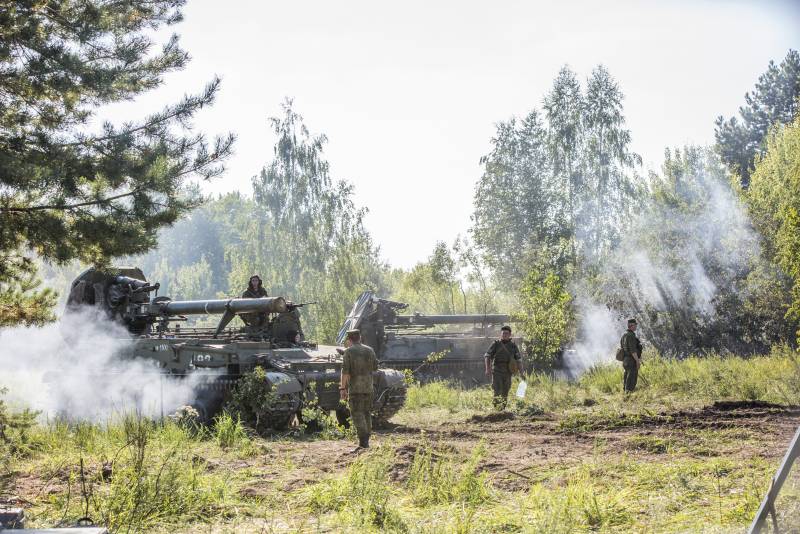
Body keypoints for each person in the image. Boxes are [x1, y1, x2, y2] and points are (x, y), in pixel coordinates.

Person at [340, 329, 378, 450]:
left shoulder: (348, 352)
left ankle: (363, 443)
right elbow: (375, 368)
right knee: (366, 413)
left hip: (356, 388)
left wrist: (343, 388)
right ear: (360, 337)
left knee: (357, 414)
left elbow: (345, 372)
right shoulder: (370, 350)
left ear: (349, 340)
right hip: (369, 387)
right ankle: (366, 440)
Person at [484, 325, 523, 410]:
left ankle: (503, 410)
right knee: (497, 390)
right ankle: (497, 410)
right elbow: (487, 356)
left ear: (510, 334)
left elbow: (519, 360)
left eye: (506, 333)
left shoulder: (513, 346)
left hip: (508, 372)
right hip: (497, 370)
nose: (504, 335)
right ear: (501, 334)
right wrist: (488, 368)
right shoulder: (496, 344)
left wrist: (521, 373)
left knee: (505, 391)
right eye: (503, 333)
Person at [621, 318, 643, 393]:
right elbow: (633, 351)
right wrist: (637, 361)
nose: (636, 326)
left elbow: (622, 348)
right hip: (631, 360)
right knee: (631, 378)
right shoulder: (631, 336)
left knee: (627, 376)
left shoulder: (624, 335)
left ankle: (625, 392)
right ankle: (628, 394)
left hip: (625, 360)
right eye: (635, 325)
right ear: (631, 326)